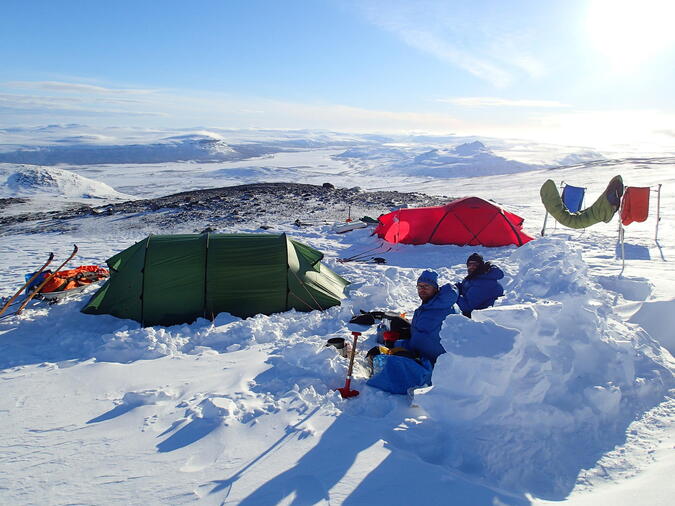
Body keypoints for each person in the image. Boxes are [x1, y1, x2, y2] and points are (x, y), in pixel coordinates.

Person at [402, 269, 457, 364]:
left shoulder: (443, 310)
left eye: (426, 286)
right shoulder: (430, 305)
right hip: (423, 356)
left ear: (435, 288)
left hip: (431, 364)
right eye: (419, 286)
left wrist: (399, 345)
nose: (422, 289)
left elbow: (426, 345)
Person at [456, 253, 504, 318]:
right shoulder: (477, 276)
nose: (471, 267)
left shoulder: (483, 282)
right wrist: (453, 288)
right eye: (469, 264)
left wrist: (453, 296)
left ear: (480, 266)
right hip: (475, 309)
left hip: (482, 318)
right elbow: (465, 287)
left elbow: (467, 306)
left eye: (475, 264)